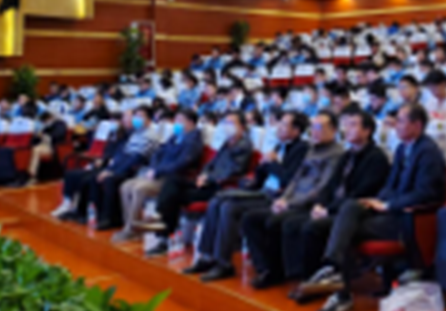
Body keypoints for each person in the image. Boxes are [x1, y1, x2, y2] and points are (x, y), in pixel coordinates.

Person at [298, 104, 446, 311]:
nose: (396, 125)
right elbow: (390, 185)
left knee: (346, 228)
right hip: (389, 213)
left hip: (408, 219)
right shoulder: (402, 148)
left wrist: (388, 205)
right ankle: (335, 273)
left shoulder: (428, 152)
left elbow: (427, 193)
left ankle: (339, 286)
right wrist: (377, 200)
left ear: (417, 125)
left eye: (401, 121)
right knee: (351, 207)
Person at [183, 111, 309, 277]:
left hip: (277, 196)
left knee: (228, 206)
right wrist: (259, 171)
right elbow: (261, 175)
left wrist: (272, 163)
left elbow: (288, 179)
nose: (279, 127)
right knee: (216, 201)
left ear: (296, 130)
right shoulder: (279, 146)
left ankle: (223, 263)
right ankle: (207, 256)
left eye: (285, 124)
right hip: (261, 190)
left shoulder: (301, 149)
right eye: (280, 123)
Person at [280, 108, 391, 284]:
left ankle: (317, 278)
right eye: (346, 125)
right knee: (292, 223)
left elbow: (361, 193)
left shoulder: (376, 158)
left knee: (311, 227)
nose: (347, 130)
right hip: (336, 207)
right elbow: (331, 185)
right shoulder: (348, 155)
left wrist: (328, 209)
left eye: (353, 125)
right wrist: (320, 204)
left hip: (354, 213)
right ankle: (296, 275)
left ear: (367, 131)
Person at [238, 112, 344, 287]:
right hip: (292, 200)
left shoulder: (337, 154)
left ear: (333, 130)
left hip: (309, 204)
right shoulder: (312, 149)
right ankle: (264, 267)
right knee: (250, 218)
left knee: (275, 221)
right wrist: (284, 199)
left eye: (319, 127)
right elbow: (295, 179)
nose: (314, 132)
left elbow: (322, 187)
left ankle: (278, 270)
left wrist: (290, 203)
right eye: (313, 128)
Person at [149, 111, 253, 255]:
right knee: (172, 182)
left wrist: (208, 179)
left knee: (173, 195)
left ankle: (163, 236)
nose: (226, 126)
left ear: (241, 126)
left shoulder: (243, 146)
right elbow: (212, 163)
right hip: (206, 180)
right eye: (225, 123)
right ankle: (161, 220)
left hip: (219, 186)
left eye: (231, 123)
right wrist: (203, 174)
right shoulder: (227, 143)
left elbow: (233, 170)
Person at [55, 108, 159, 229]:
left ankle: (109, 218)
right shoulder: (136, 134)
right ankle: (91, 214)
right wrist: (110, 169)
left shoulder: (150, 135)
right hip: (120, 166)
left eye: (140, 116)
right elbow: (122, 155)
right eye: (135, 116)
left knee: (107, 180)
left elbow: (136, 158)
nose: (136, 119)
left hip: (135, 170)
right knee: (92, 178)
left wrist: (113, 172)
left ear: (149, 119)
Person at [112, 109, 203, 243]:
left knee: (138, 189)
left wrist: (158, 171)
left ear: (190, 123)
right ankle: (129, 225)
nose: (176, 123)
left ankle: (132, 229)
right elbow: (158, 152)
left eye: (180, 120)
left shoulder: (193, 141)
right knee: (125, 186)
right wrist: (154, 168)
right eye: (176, 120)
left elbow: (181, 163)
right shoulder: (175, 136)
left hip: (172, 178)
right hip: (158, 173)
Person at [25, 111, 68, 185]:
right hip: (43, 146)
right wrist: (37, 135)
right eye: (43, 122)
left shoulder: (60, 124)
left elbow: (57, 136)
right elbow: (35, 140)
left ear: (50, 118)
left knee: (36, 150)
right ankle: (29, 173)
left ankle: (32, 175)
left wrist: (44, 136)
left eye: (45, 121)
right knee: (32, 149)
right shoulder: (46, 127)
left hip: (54, 147)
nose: (44, 123)